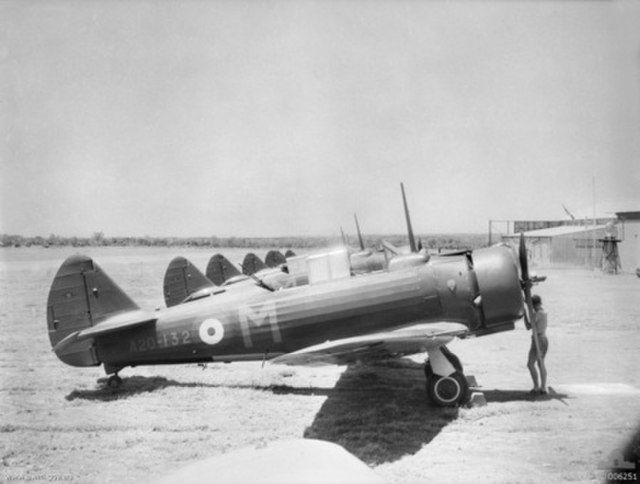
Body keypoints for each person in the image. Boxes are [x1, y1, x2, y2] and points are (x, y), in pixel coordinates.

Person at [527, 294, 548, 395]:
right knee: (540, 363)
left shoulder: (538, 314)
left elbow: (528, 325)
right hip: (543, 339)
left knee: (531, 364)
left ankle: (536, 387)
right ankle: (543, 387)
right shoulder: (542, 312)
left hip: (538, 340)